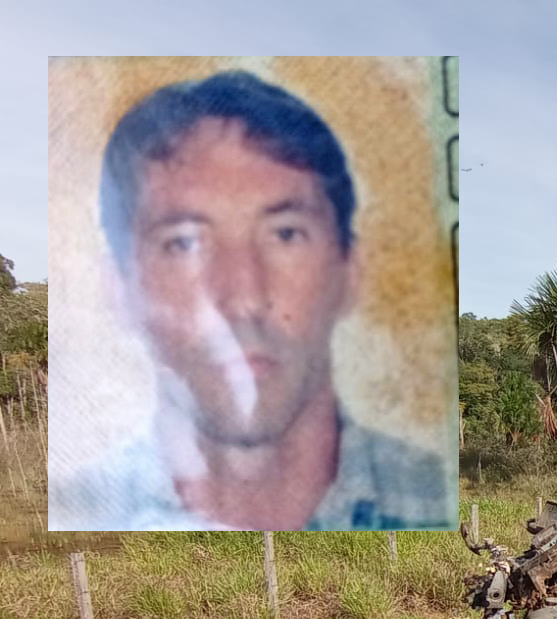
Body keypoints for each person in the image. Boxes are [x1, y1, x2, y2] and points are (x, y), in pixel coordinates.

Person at [52, 69, 450, 531]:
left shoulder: (434, 492)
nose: (243, 299)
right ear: (118, 289)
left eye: (284, 234)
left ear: (350, 271)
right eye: (184, 242)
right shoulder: (79, 507)